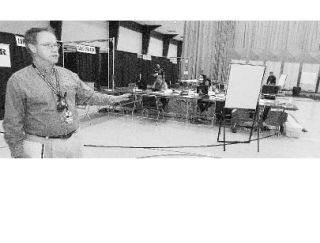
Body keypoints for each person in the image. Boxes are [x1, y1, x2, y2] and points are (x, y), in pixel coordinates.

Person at [3, 27, 131, 158]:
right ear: (33, 48)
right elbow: (12, 121)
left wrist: (113, 99)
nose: (54, 49)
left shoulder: (69, 75)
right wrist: (18, 153)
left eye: (55, 45)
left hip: (73, 142)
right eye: (47, 45)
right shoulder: (19, 80)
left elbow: (89, 96)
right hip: (42, 145)